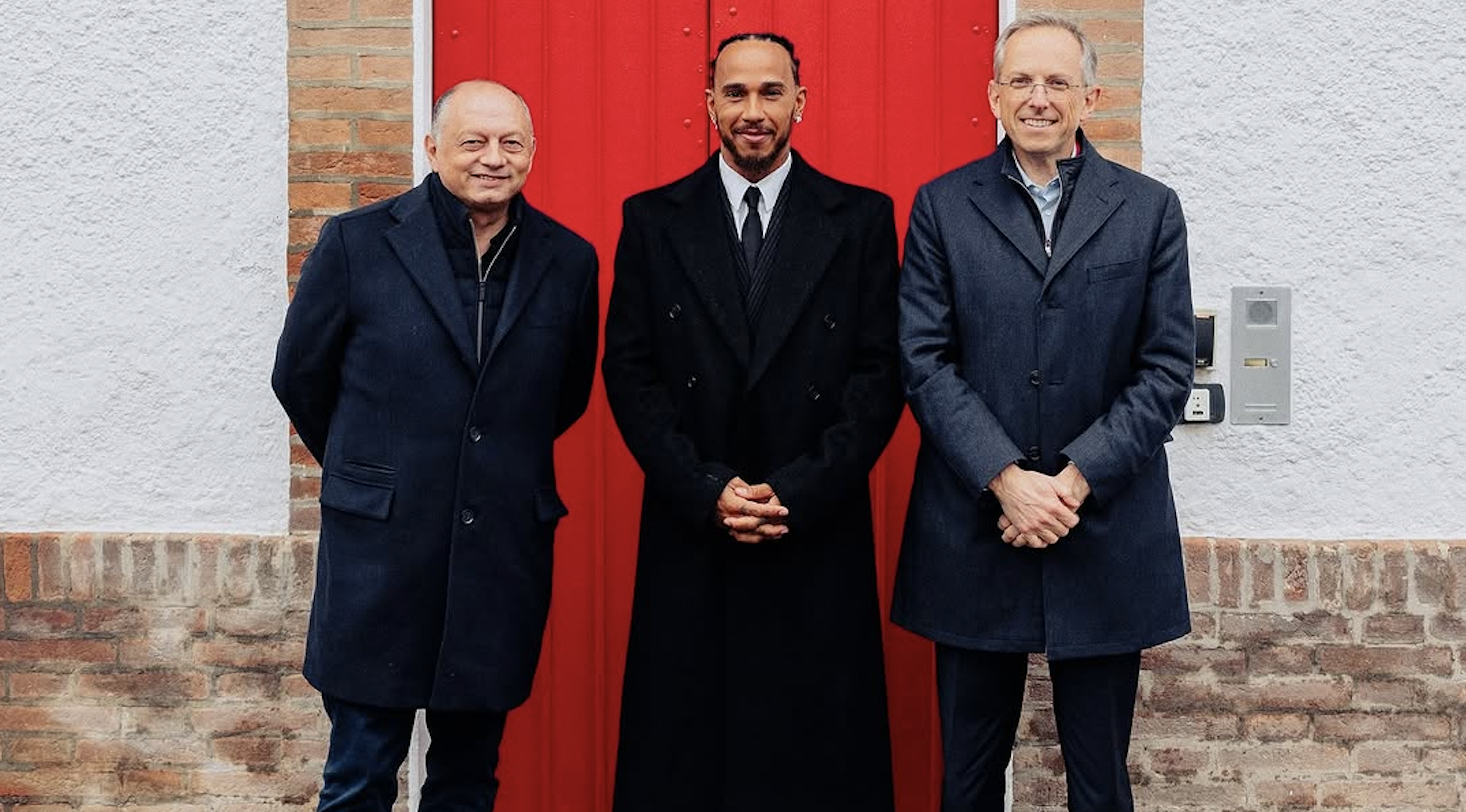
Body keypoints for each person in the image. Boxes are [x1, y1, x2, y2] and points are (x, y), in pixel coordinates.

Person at [892, 14, 1195, 812]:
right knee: (967, 780)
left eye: (1057, 81)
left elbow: (1164, 369)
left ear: (1089, 96)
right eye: (1021, 80)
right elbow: (923, 360)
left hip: (1102, 530)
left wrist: (1071, 481)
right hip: (974, 530)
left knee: (1100, 782)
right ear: (993, 94)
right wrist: (1006, 479)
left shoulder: (1150, 211)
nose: (1037, 97)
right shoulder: (942, 207)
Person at [271, 80, 598, 812]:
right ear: (432, 148)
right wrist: (373, 472)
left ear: (532, 153)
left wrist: (482, 470)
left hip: (499, 556)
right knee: (358, 774)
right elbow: (300, 374)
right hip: (381, 555)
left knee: (467, 780)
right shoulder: (358, 242)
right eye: (473, 141)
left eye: (510, 142)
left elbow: (563, 396)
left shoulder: (569, 262)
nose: (492, 158)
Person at [602, 32, 904, 812]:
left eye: (771, 93)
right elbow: (629, 372)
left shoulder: (863, 219)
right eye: (735, 94)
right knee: (686, 754)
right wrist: (705, 488)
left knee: (816, 757)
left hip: (812, 523)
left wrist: (799, 490)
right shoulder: (652, 219)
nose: (753, 112)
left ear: (802, 101)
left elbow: (881, 374)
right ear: (709, 105)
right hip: (693, 523)